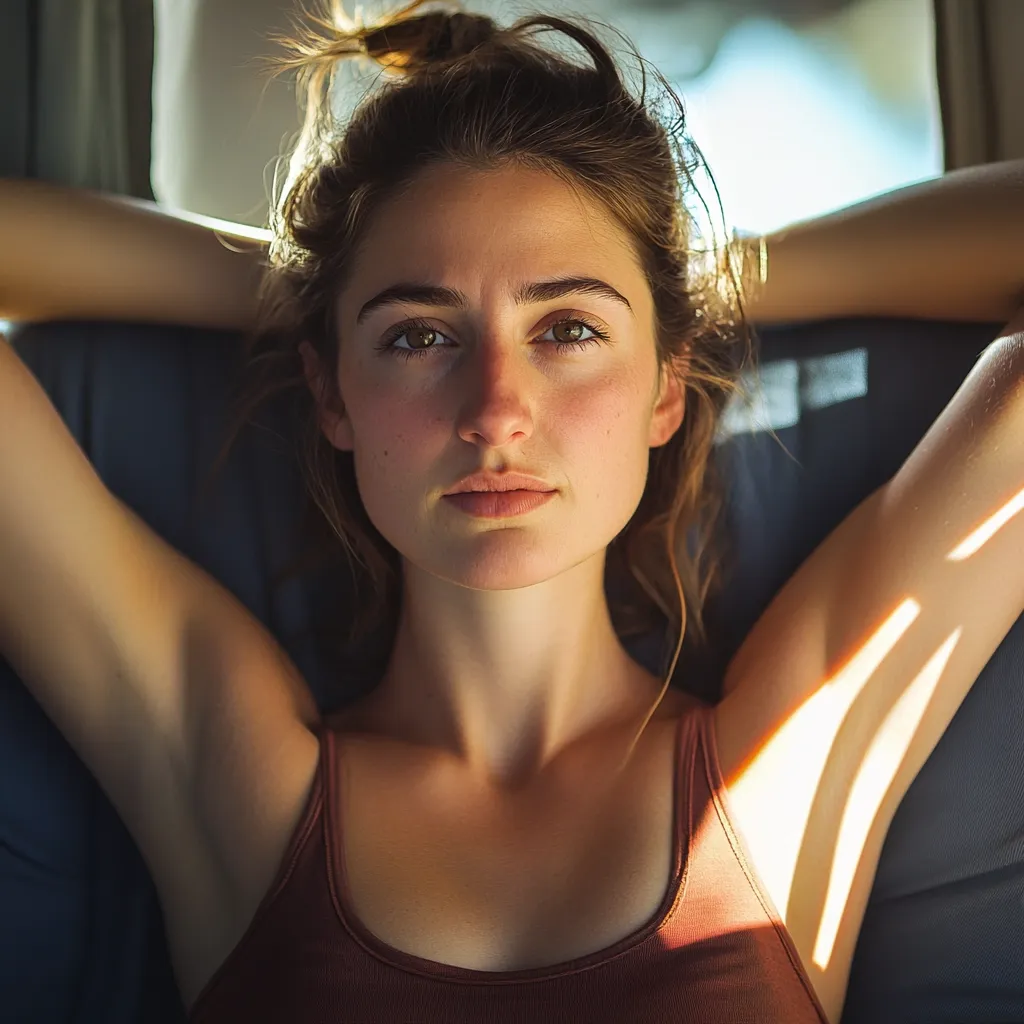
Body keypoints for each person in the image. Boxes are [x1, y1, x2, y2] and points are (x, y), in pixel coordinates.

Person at [1, 1, 1023, 1021]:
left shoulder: (795, 750)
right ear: (330, 395)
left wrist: (690, 290)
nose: (494, 412)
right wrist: (309, 292)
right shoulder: (229, 772)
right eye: (418, 338)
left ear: (667, 387)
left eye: (568, 328)